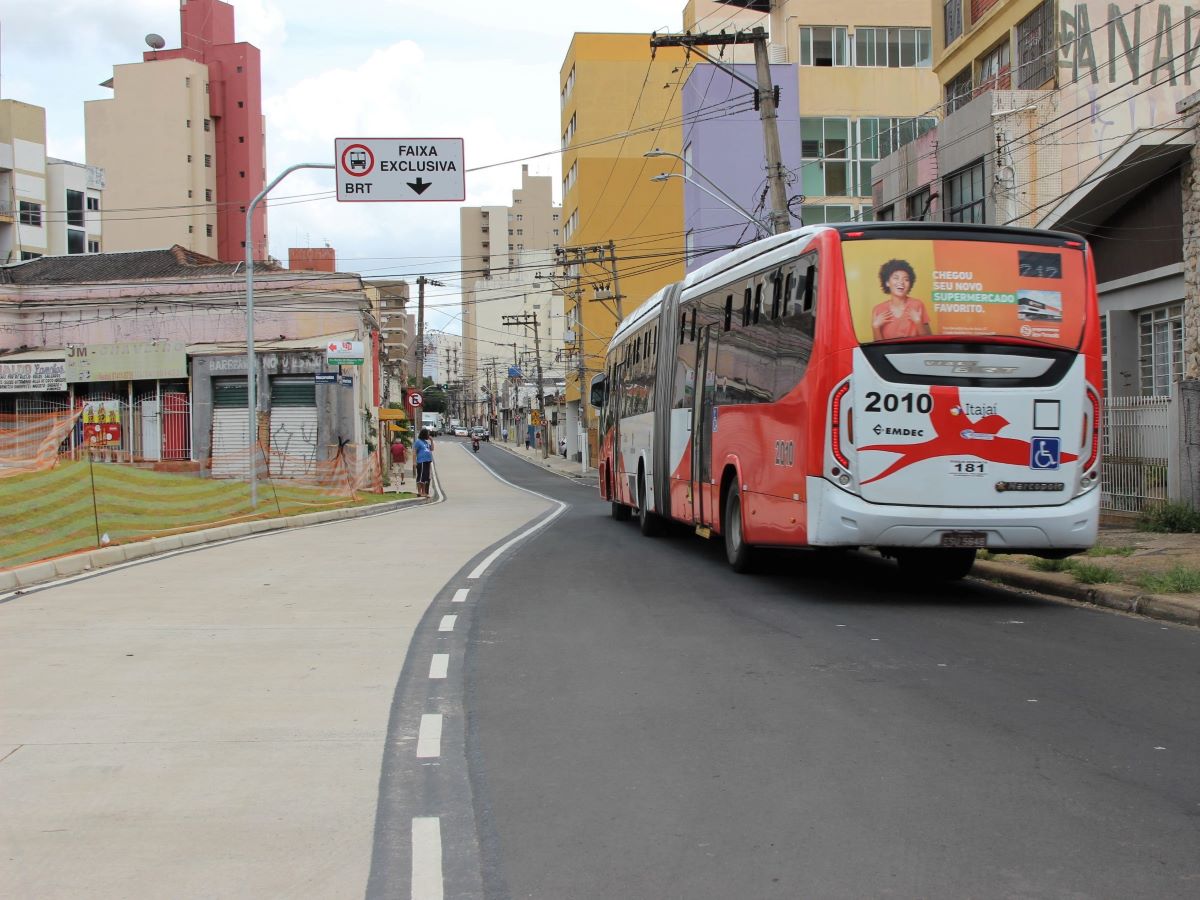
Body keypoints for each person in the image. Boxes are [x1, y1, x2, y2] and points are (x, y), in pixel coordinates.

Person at [871, 259, 932, 340]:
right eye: (896, 278)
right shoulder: (878, 309)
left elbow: (928, 340)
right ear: (887, 283)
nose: (901, 282)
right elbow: (878, 347)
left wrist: (918, 322)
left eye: (906, 279)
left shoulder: (917, 305)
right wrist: (875, 327)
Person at [414, 428, 434, 498]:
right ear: (424, 434)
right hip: (421, 461)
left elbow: (432, 449)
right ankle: (420, 492)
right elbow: (414, 452)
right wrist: (414, 462)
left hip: (427, 461)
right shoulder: (418, 442)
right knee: (421, 477)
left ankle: (424, 492)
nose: (429, 435)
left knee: (425, 478)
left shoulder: (426, 442)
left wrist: (431, 440)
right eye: (428, 433)